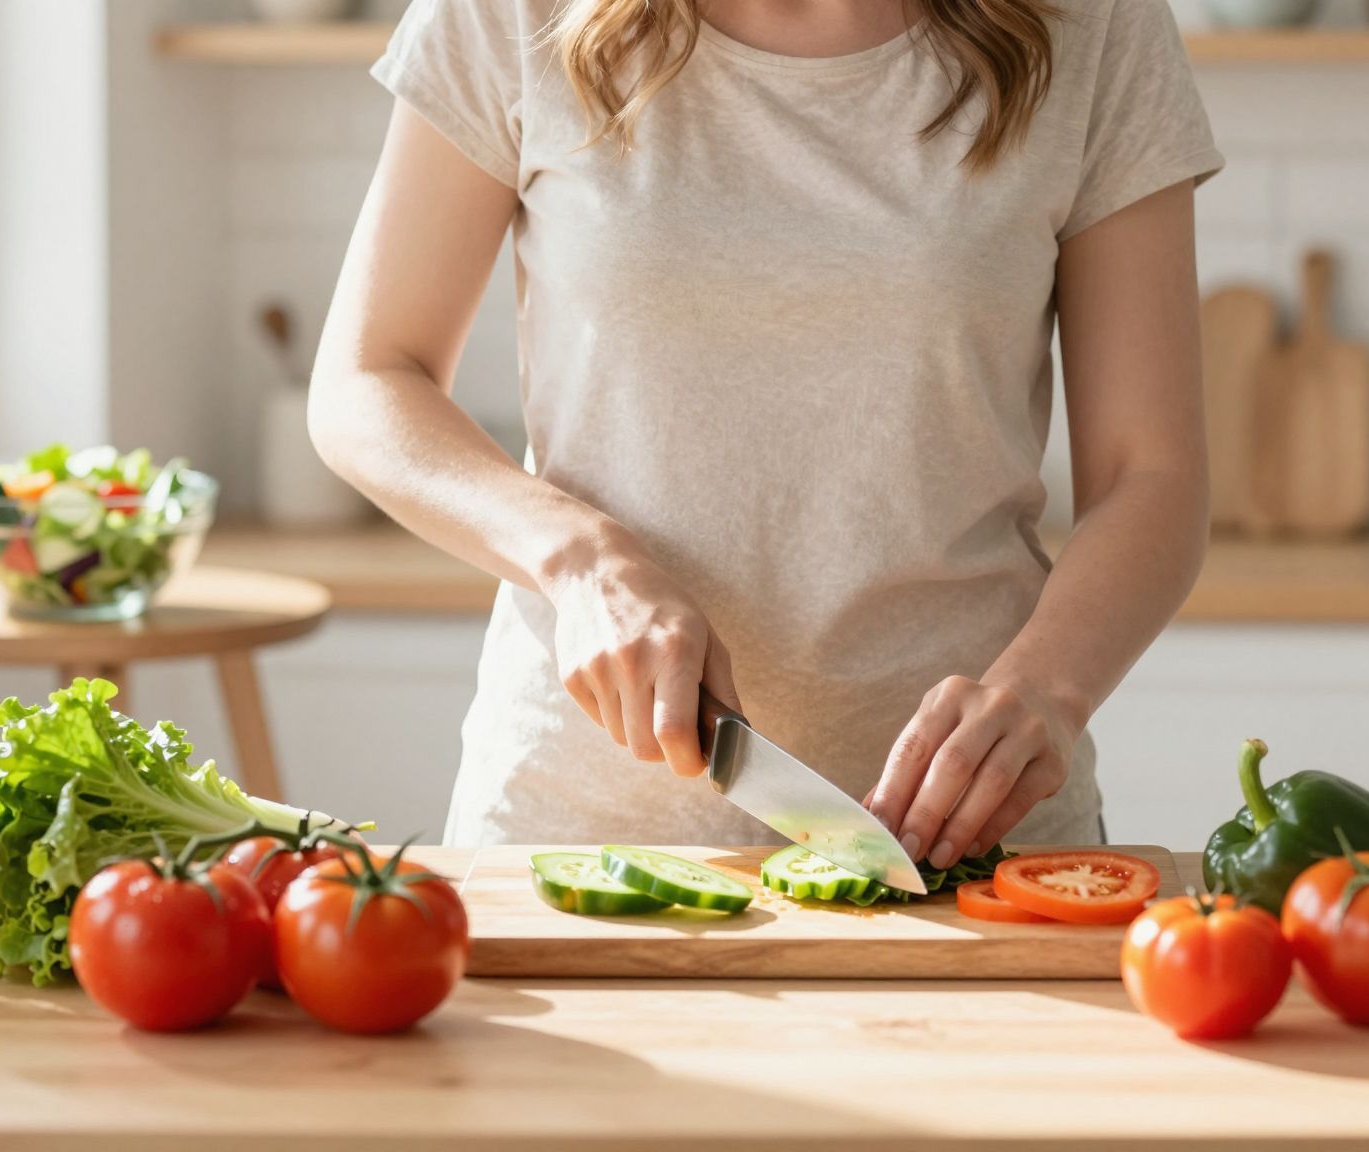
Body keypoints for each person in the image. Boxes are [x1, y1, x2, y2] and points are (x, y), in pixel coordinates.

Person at [311, 0, 1221, 869]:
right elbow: (368, 378)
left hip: (975, 845)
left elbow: (1152, 474)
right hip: (580, 833)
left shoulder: (1095, 23)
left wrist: (1048, 692)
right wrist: (579, 558)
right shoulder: (511, 12)